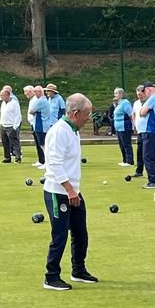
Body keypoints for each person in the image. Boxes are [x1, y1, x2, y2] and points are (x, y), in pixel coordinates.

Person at [41, 93, 97, 291]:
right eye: (86, 114)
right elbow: (54, 164)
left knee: (81, 232)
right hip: (58, 191)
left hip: (73, 190)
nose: (88, 118)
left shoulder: (73, 130)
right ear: (75, 113)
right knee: (60, 235)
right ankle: (51, 276)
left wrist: (74, 190)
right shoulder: (59, 131)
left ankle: (78, 269)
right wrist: (69, 190)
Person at [139, 81, 155, 188]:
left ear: (148, 89)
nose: (144, 94)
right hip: (152, 131)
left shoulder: (153, 98)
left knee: (148, 157)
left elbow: (142, 112)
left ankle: (153, 180)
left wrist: (142, 109)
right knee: (152, 157)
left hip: (150, 130)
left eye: (144, 91)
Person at [0, 85, 22, 163]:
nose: (1, 97)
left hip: (11, 126)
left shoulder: (14, 103)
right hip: (3, 125)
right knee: (5, 142)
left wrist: (15, 126)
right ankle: (7, 158)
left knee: (14, 142)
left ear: (7, 95)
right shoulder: (3, 103)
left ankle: (18, 157)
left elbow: (18, 115)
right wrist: (1, 123)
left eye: (2, 95)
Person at [111, 88, 133, 167]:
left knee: (126, 143)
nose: (115, 95)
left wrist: (134, 125)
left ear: (121, 94)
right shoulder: (118, 104)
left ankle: (129, 161)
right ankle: (124, 160)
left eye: (116, 93)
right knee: (121, 144)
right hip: (118, 127)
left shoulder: (125, 103)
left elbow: (131, 114)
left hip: (125, 126)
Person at [132, 85, 146, 177]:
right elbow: (133, 114)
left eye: (140, 94)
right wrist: (135, 124)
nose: (139, 96)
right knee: (139, 151)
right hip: (140, 131)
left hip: (147, 130)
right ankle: (139, 171)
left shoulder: (148, 102)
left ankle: (151, 173)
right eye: (138, 95)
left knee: (147, 152)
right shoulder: (136, 103)